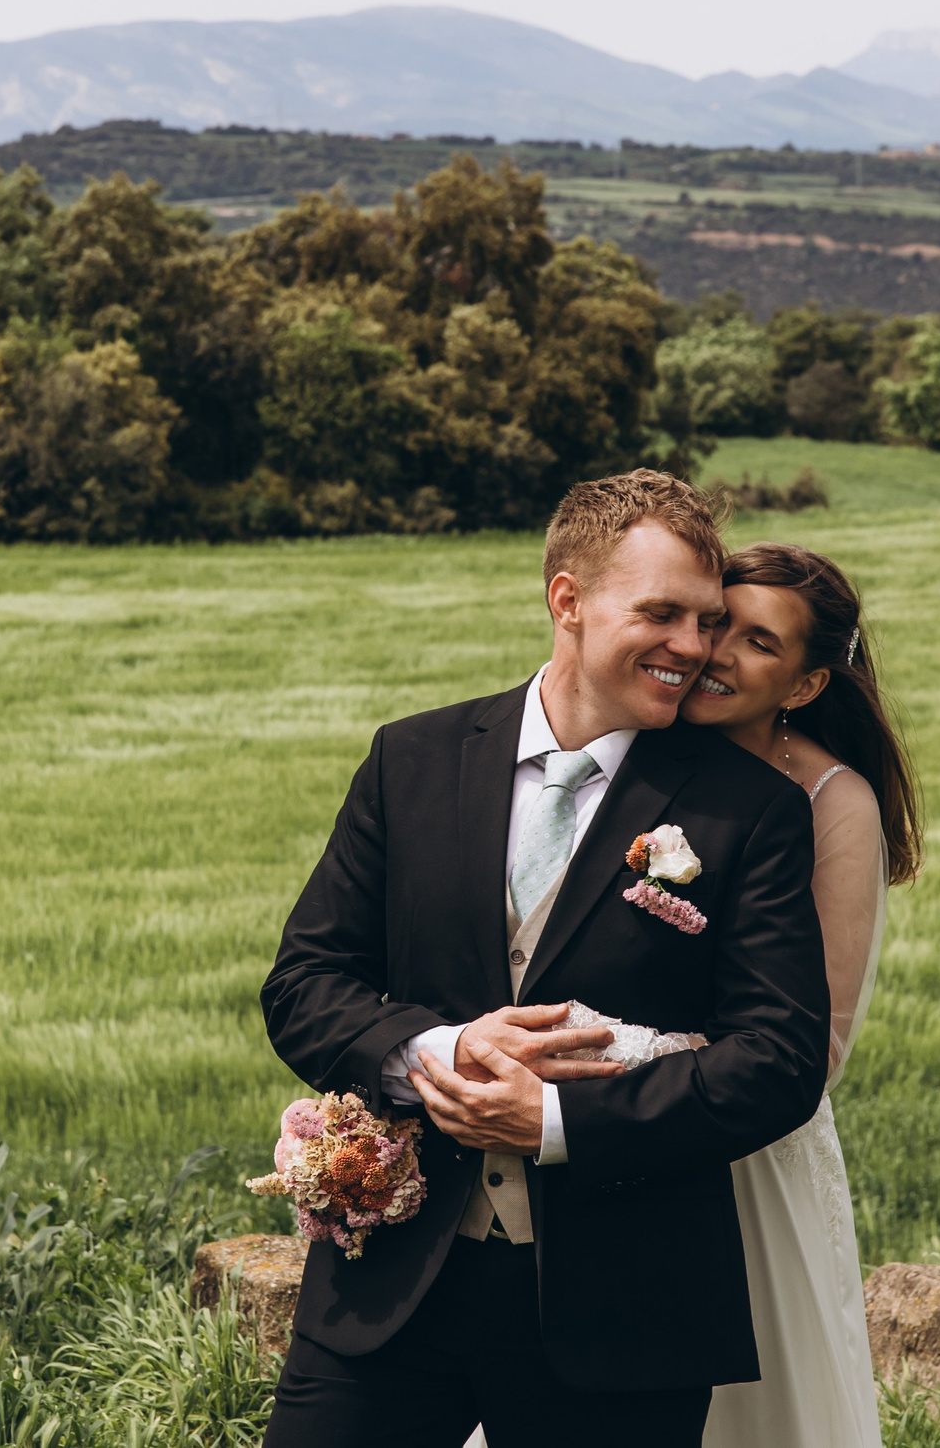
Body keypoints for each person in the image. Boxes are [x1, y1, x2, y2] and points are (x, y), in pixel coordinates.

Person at [259, 471, 831, 1448]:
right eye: (661, 614)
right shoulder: (412, 761)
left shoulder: (752, 813)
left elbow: (779, 1061)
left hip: (629, 1309)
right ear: (567, 600)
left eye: (705, 620)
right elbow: (306, 983)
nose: (692, 648)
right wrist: (432, 1051)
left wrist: (557, 1117)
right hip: (391, 1291)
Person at [680, 542, 922, 1448]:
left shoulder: (833, 799)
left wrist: (640, 1066)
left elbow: (815, 1043)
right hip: (589, 1136)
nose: (715, 653)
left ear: (807, 683)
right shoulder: (644, 751)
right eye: (713, 624)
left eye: (756, 641)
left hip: (744, 1147)